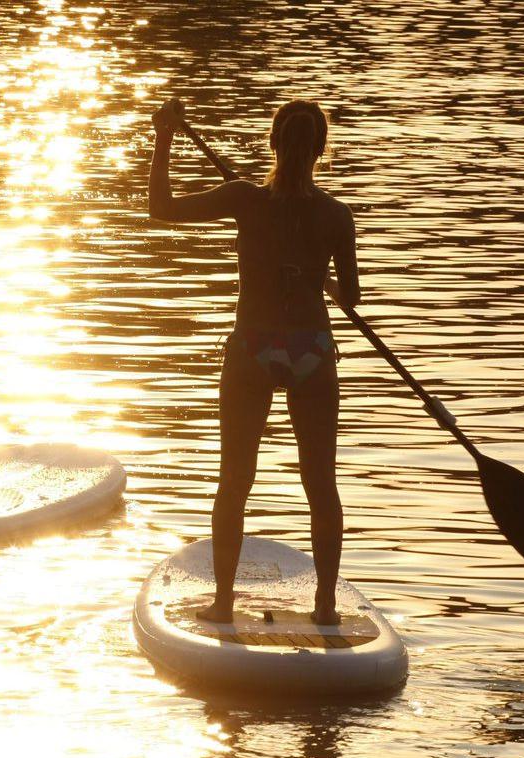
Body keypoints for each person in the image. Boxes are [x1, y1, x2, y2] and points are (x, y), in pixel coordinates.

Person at [149, 98, 359, 626]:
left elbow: (162, 208)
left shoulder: (244, 199)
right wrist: (323, 280)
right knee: (321, 484)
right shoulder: (337, 215)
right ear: (319, 151)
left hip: (253, 348)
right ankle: (326, 608)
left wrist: (164, 137)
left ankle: (222, 603)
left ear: (273, 144)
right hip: (313, 350)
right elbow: (353, 298)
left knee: (235, 479)